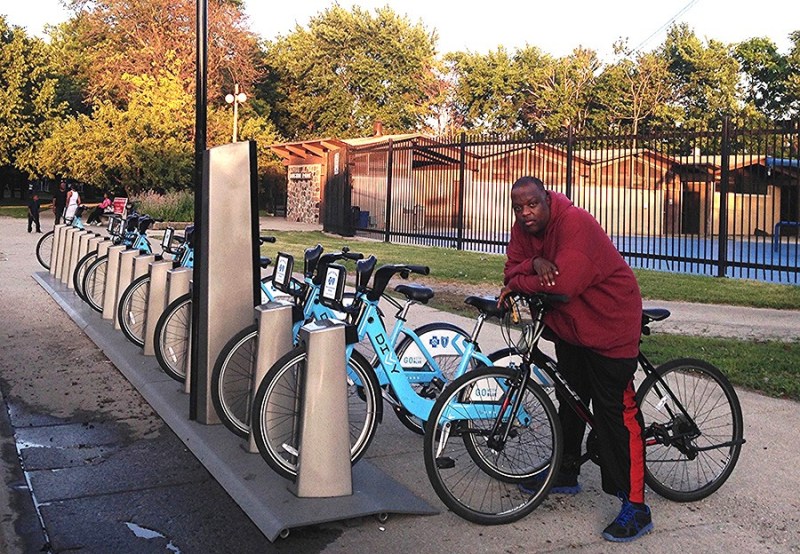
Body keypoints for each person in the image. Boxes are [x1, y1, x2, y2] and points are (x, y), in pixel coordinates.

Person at [498, 176, 651, 543]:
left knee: (614, 413)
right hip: (572, 329)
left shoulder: (576, 222)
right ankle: (565, 473)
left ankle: (636, 505)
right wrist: (533, 262)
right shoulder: (524, 230)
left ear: (547, 199)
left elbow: (563, 284)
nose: (525, 213)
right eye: (518, 208)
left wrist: (521, 279)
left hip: (609, 325)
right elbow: (510, 269)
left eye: (532, 204)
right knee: (570, 400)